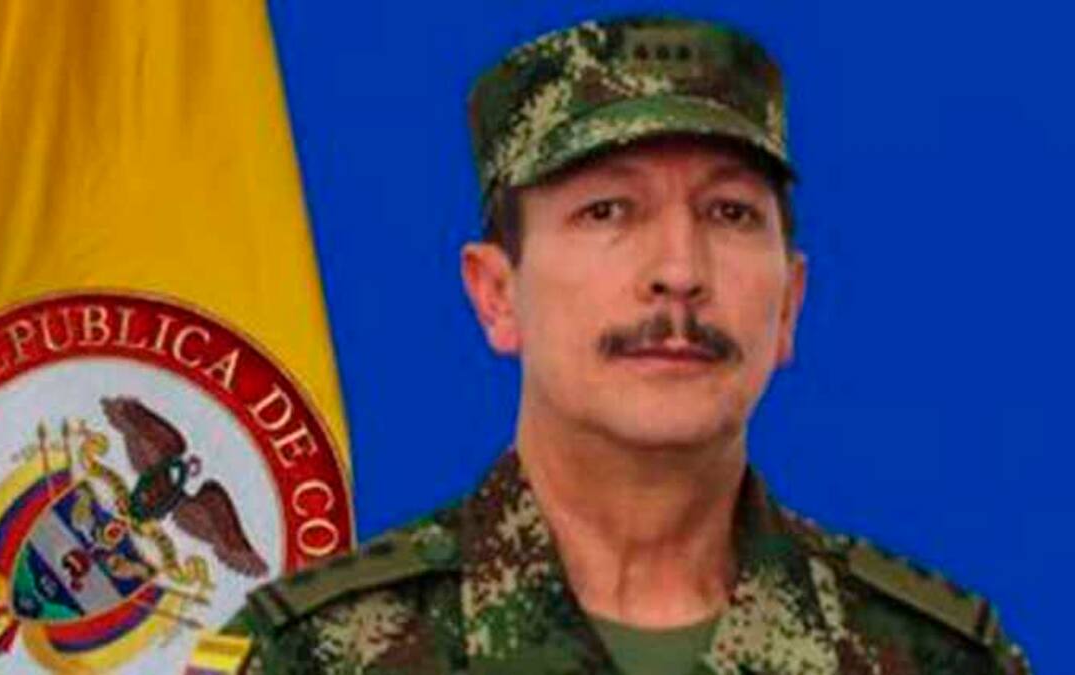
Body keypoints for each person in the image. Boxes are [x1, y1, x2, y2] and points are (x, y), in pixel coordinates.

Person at [206, 15, 1030, 674]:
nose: (680, 271)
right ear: (496, 294)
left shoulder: (937, 657)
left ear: (789, 303)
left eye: (730, 213)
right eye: (607, 210)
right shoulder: (316, 654)